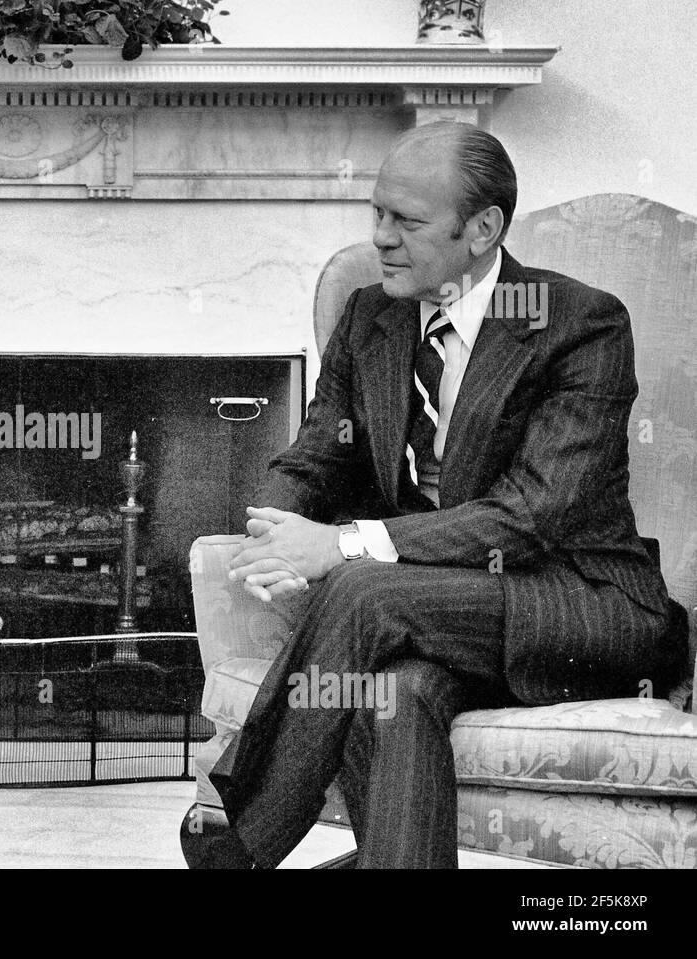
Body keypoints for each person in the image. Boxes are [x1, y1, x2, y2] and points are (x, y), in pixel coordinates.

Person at [198, 121, 689, 868]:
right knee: (396, 694)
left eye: (408, 221)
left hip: (579, 605)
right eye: (377, 215)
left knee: (364, 591)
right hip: (427, 617)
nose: (383, 238)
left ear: (483, 228)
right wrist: (276, 527)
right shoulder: (371, 317)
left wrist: (340, 545)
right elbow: (312, 457)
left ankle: (242, 841)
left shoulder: (579, 324)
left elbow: (531, 514)